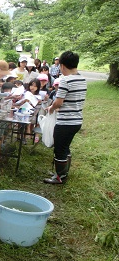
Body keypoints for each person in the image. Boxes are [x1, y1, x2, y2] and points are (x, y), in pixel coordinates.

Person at [44, 51, 86, 184]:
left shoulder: (66, 80)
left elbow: (59, 102)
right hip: (77, 120)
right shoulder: (82, 79)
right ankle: (62, 173)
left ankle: (59, 177)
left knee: (60, 149)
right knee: (66, 147)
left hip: (65, 121)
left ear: (61, 66)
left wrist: (51, 108)